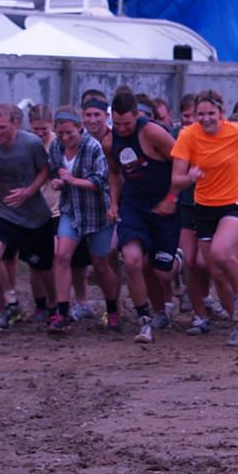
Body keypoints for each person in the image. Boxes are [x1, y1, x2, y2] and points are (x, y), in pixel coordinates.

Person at [169, 92, 238, 344]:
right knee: (216, 271)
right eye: (200, 114)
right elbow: (175, 179)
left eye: (211, 113)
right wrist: (191, 176)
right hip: (204, 208)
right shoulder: (188, 135)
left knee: (221, 254)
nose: (205, 119)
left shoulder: (236, 131)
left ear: (220, 113)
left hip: (234, 203)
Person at [105, 91, 181, 343]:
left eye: (127, 124)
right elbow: (115, 174)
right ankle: (144, 320)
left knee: (163, 272)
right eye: (117, 124)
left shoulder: (152, 132)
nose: (123, 129)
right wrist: (114, 203)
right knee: (132, 261)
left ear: (136, 115)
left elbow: (182, 161)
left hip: (162, 206)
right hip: (133, 206)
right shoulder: (110, 140)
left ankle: (178, 261)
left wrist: (171, 198)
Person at [0, 104, 55, 328]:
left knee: (43, 268)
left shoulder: (31, 144)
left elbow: (45, 170)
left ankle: (56, 308)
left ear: (16, 124)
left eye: (2, 128)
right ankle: (10, 301)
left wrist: (29, 191)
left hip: (36, 216)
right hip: (4, 213)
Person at [48, 109, 117, 335]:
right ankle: (62, 311)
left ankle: (113, 309)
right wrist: (58, 182)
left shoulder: (93, 147)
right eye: (60, 133)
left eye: (69, 133)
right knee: (61, 256)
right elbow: (53, 171)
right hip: (72, 210)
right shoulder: (56, 147)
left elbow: (100, 181)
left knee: (100, 264)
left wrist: (73, 180)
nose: (65, 138)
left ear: (79, 128)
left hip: (97, 212)